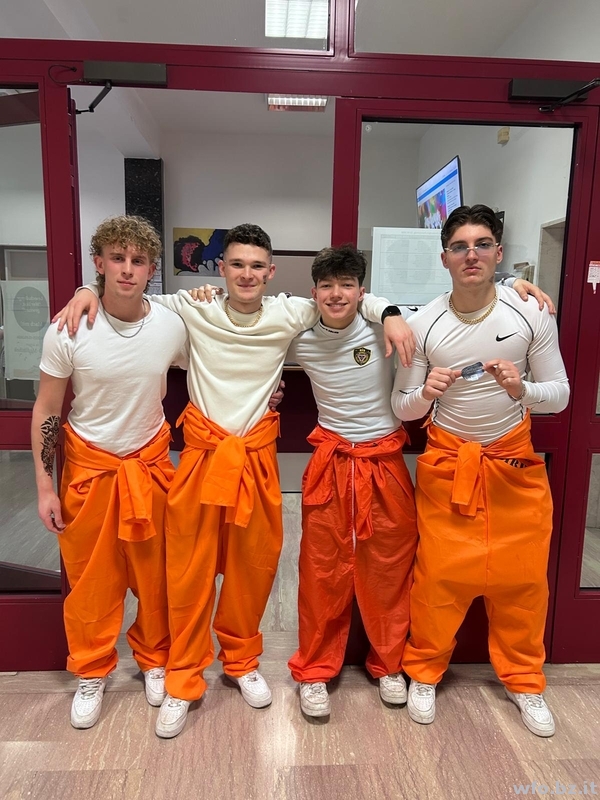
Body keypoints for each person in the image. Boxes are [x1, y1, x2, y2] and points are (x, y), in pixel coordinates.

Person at [55, 223, 415, 739]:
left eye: (257, 266)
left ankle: (241, 661)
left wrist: (392, 311)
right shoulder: (191, 307)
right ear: (220, 269)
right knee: (189, 574)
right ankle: (182, 677)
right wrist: (86, 289)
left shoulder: (293, 312)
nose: (247, 274)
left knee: (254, 569)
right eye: (238, 264)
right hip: (201, 459)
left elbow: (346, 297)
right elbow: (128, 298)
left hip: (256, 459)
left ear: (271, 273)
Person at [391, 204, 570, 738]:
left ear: (498, 253)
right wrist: (425, 393)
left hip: (513, 462)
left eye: (483, 244)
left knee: (523, 581)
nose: (472, 254)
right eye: (460, 246)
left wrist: (523, 389)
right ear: (444, 258)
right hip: (449, 464)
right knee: (438, 578)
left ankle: (525, 681)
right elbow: (402, 407)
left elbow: (560, 395)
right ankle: (424, 672)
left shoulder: (530, 312)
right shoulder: (422, 323)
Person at [32, 216, 189, 729]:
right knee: (91, 581)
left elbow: (216, 363)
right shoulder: (69, 327)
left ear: (151, 269)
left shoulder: (171, 325)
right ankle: (92, 669)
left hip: (149, 464)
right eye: (117, 258)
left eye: (138, 261)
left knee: (156, 576)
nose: (127, 269)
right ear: (98, 263)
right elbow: (47, 409)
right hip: (90, 467)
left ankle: (155, 659)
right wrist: (44, 486)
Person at [285, 245, 419, 717]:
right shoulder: (299, 336)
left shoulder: (386, 327)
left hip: (384, 460)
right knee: (322, 569)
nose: (336, 294)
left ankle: (389, 664)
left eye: (347, 284)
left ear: (362, 291)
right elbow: (245, 322)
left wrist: (513, 285)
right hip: (332, 461)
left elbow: (460, 303)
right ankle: (315, 670)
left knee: (389, 566)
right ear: (314, 292)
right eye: (327, 285)